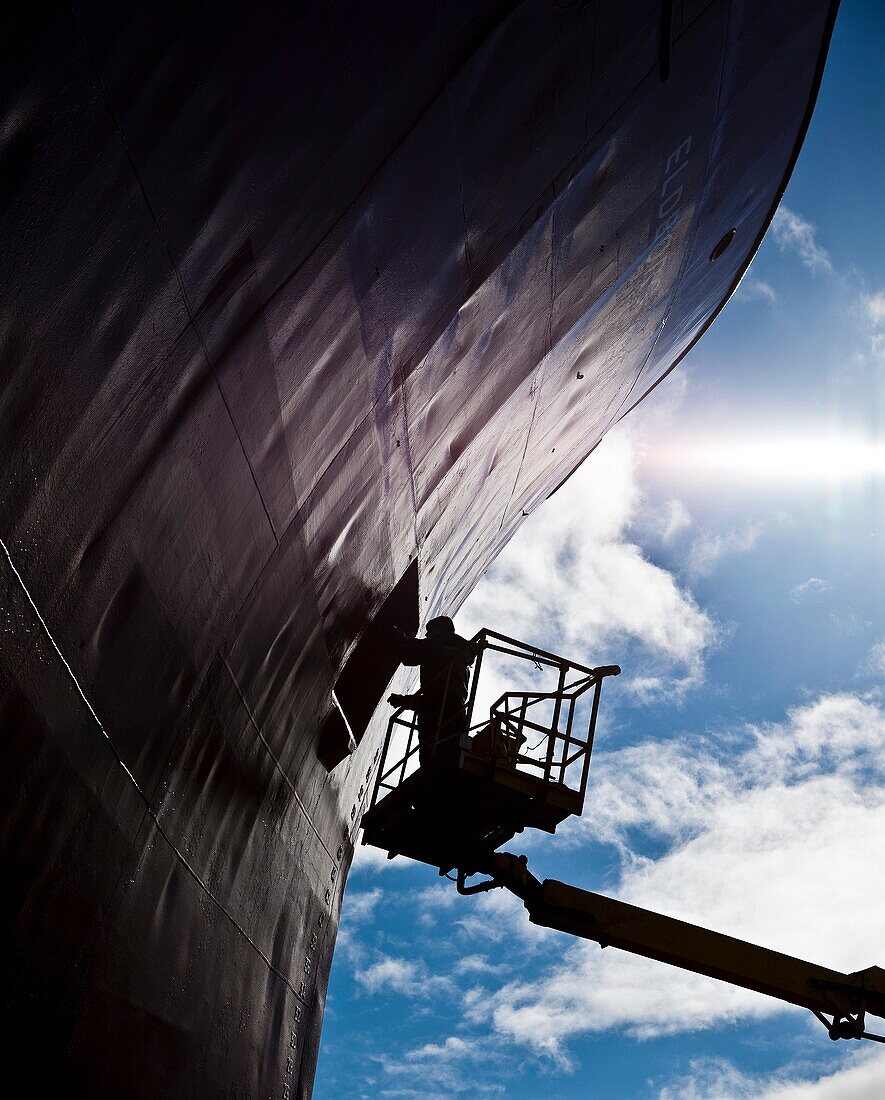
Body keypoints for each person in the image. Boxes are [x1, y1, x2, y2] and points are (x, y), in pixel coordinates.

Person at [388, 616, 477, 768]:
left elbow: (410, 653)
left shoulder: (439, 644)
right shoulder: (462, 654)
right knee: (451, 754)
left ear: (441, 630)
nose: (427, 635)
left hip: (437, 709)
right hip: (458, 709)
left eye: (430, 631)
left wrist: (394, 633)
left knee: (430, 755)